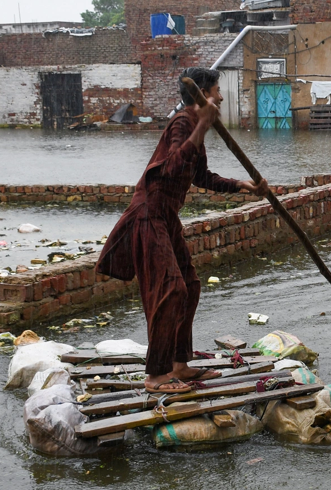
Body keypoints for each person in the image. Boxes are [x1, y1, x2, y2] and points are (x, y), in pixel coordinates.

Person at [96, 67, 268, 393]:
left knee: (190, 285)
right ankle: (156, 376)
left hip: (167, 216)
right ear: (203, 95)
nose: (220, 97)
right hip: (149, 215)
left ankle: (179, 364)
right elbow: (172, 166)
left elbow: (201, 176)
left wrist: (242, 185)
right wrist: (202, 124)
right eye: (217, 91)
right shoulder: (183, 123)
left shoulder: (195, 128)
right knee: (171, 289)